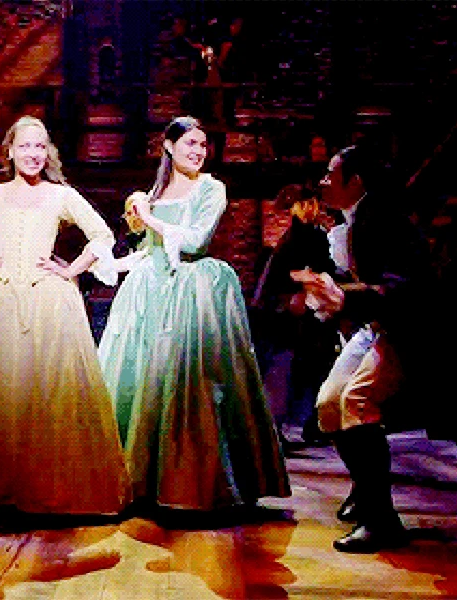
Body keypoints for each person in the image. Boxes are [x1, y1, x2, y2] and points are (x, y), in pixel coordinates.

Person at [0, 116, 131, 514]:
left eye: (39, 146)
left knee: (47, 393)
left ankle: (46, 488)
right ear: (10, 151)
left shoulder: (60, 195)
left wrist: (71, 270)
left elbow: (102, 234)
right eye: (24, 146)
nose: (33, 154)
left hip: (47, 299)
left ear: (48, 152)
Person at [97, 116, 289, 512]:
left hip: (191, 291)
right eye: (190, 143)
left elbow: (196, 241)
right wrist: (110, 261)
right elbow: (151, 250)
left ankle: (191, 482)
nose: (198, 151)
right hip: (149, 292)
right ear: (169, 146)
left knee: (189, 386)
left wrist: (149, 217)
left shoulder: (211, 188)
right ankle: (139, 480)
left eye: (203, 144)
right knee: (144, 383)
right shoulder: (156, 191)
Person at [293, 145, 457, 553]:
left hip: (407, 330)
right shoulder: (354, 219)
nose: (323, 181)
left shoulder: (385, 219)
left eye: (330, 174)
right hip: (376, 324)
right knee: (328, 405)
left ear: (355, 181)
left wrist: (345, 294)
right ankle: (365, 487)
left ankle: (381, 520)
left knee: (357, 402)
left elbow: (402, 287)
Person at [252, 183, 337, 445]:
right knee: (281, 368)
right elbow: (284, 273)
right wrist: (302, 283)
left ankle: (310, 425)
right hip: (284, 311)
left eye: (313, 203)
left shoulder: (309, 234)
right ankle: (274, 432)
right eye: (305, 204)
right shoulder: (297, 235)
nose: (310, 209)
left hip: (299, 309)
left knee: (304, 367)